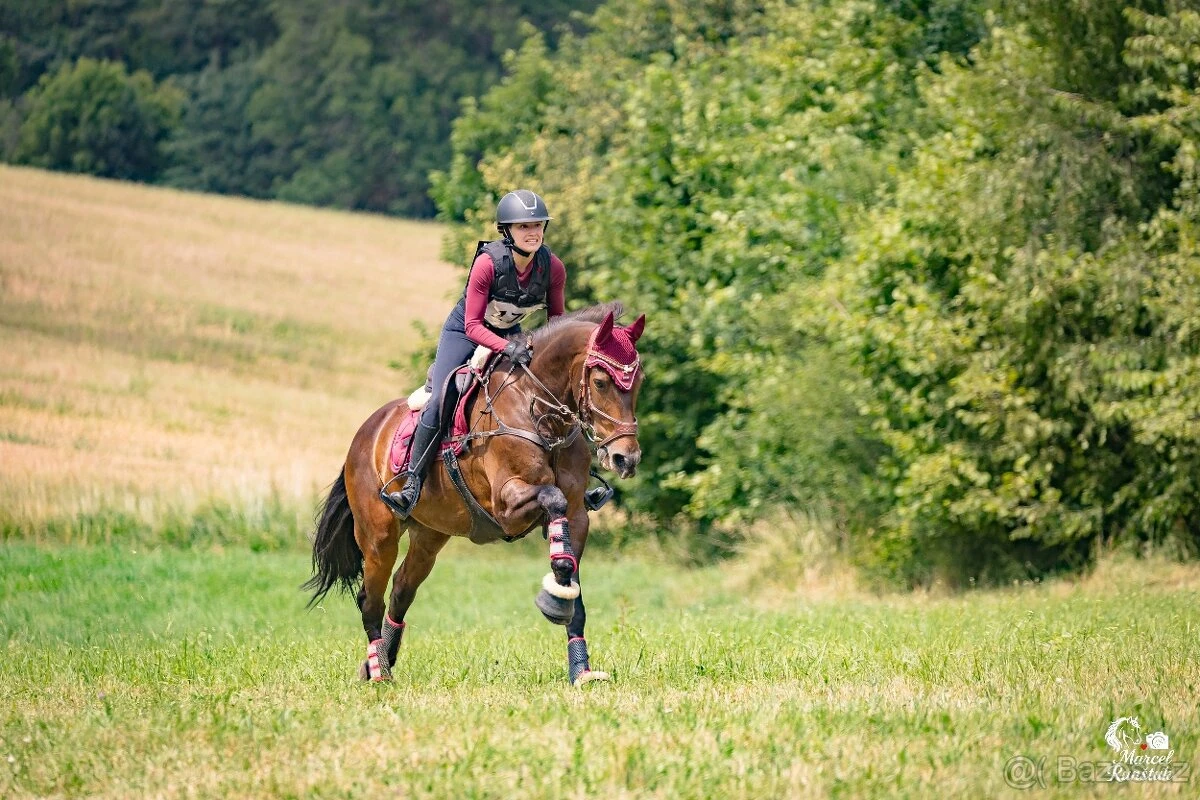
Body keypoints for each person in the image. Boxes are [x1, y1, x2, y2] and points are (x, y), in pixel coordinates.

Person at [381, 189, 567, 518]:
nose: (533, 231)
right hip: (465, 333)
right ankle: (411, 484)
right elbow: (472, 326)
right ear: (507, 231)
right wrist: (509, 346)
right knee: (440, 400)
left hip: (510, 333)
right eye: (524, 226)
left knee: (556, 394)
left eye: (538, 224)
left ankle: (577, 481)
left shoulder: (552, 268)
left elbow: (557, 324)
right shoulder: (487, 264)